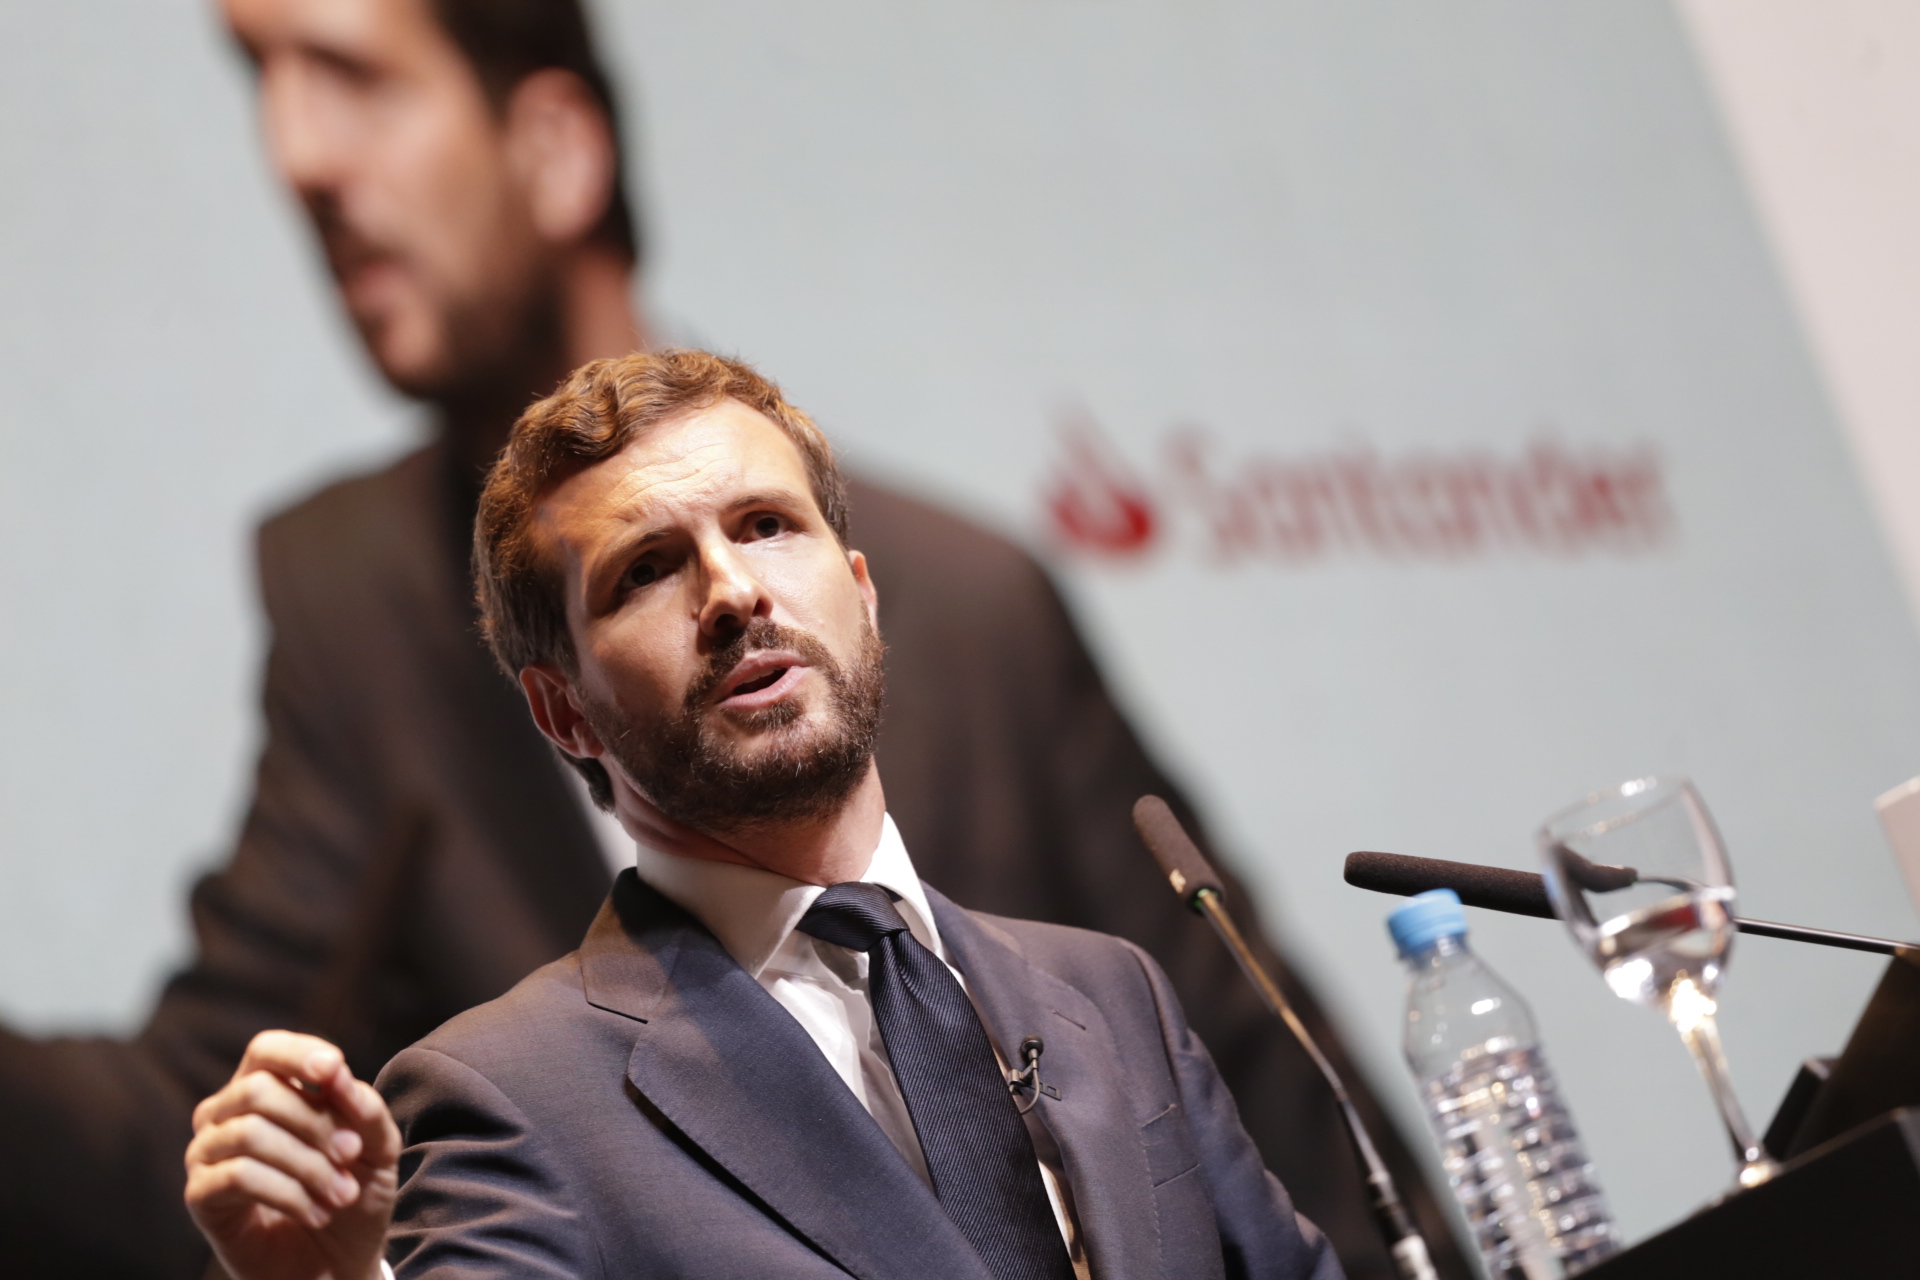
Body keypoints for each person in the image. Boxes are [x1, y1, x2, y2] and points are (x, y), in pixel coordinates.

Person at [0, 2, 1461, 1277]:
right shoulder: (357, 601)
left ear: (558, 147)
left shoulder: (975, 603)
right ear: (554, 704)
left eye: (351, 74)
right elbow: (218, 1122)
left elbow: (1273, 1110)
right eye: (257, 77)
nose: (297, 157)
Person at [184, 350, 1344, 1280]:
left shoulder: (1111, 998)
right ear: (564, 713)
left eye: (765, 526)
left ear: (865, 594)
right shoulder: (509, 1096)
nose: (734, 591)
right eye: (646, 569)